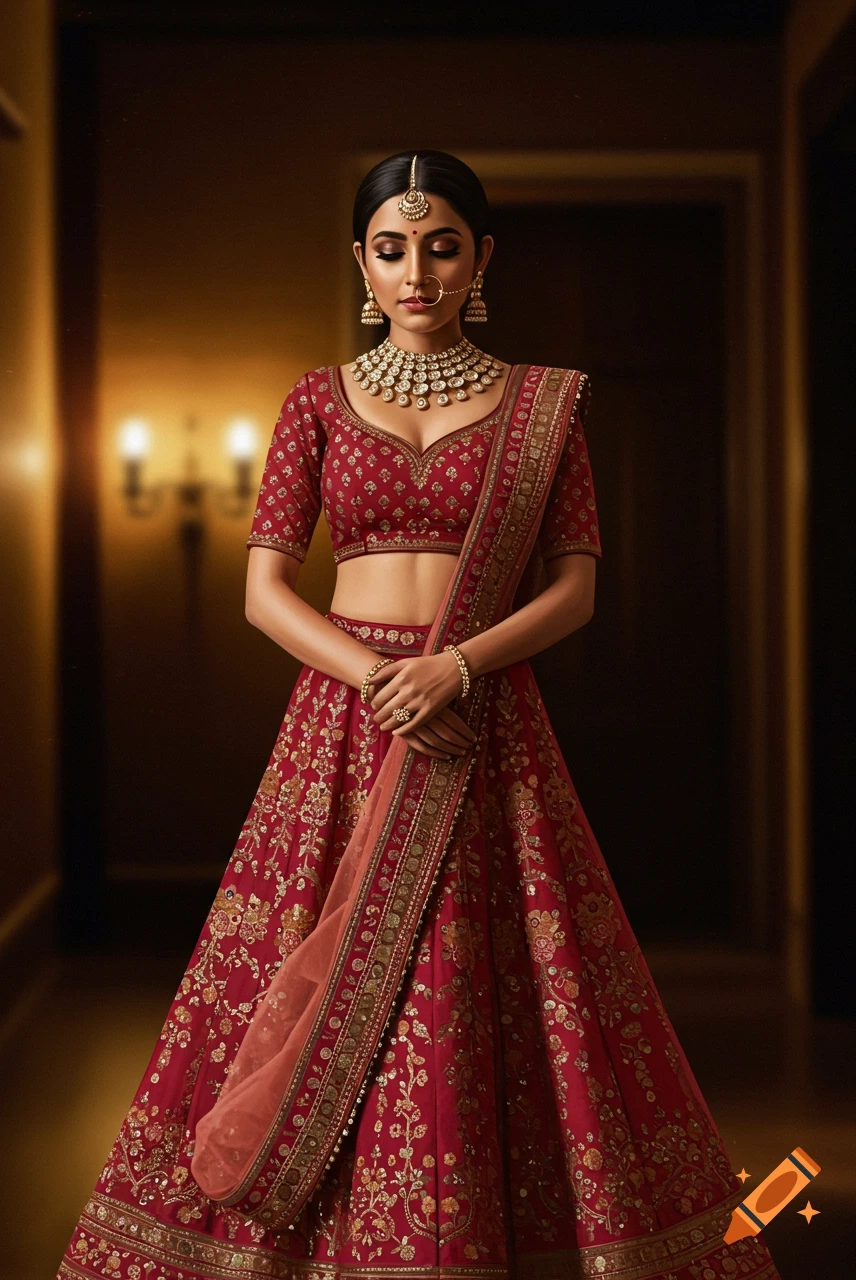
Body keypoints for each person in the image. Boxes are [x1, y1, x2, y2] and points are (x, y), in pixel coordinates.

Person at [57, 151, 780, 1280]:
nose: (415, 269)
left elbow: (575, 587)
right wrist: (377, 679)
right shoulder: (314, 398)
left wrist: (454, 669)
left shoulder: (544, 404)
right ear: (360, 261)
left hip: (478, 712)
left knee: (477, 972)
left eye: (440, 244)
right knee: (309, 966)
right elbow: (261, 590)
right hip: (343, 725)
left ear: (480, 258)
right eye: (391, 248)